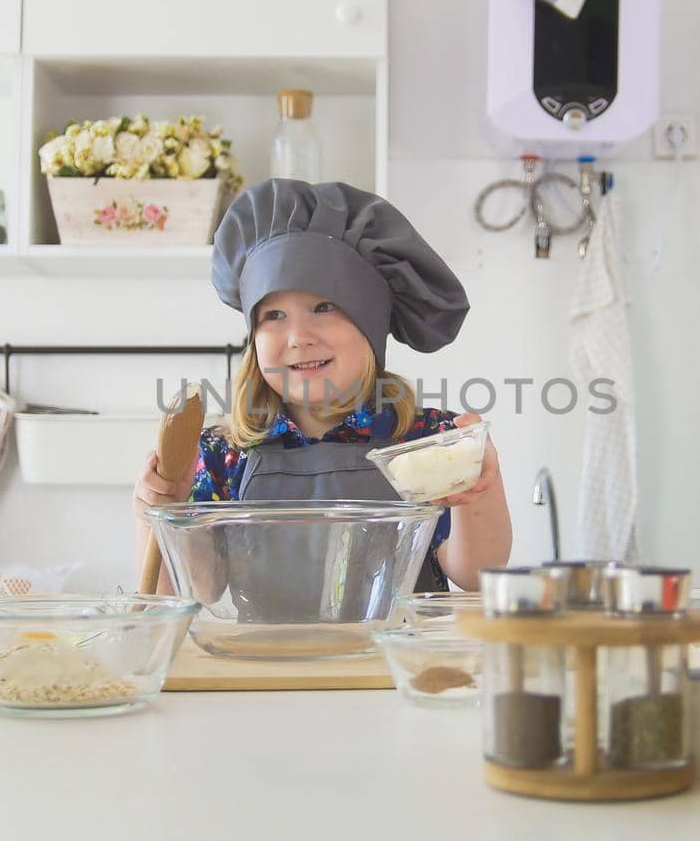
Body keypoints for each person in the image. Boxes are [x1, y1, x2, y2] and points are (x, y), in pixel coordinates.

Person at [133, 179, 512, 592]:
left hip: (393, 653)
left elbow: (474, 573)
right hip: (263, 657)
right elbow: (196, 589)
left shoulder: (428, 442)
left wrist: (477, 492)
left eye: (324, 307)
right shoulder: (222, 454)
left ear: (370, 326)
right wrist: (159, 514)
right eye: (273, 315)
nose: (298, 336)